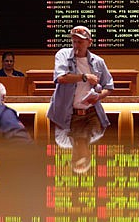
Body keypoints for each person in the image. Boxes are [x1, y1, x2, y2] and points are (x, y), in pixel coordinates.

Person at [47, 25, 114, 173]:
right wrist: (84, 77)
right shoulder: (63, 55)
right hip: (68, 114)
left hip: (91, 113)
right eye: (74, 41)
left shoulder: (98, 61)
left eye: (80, 42)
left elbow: (109, 86)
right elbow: (60, 78)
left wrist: (98, 97)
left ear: (89, 42)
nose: (76, 45)